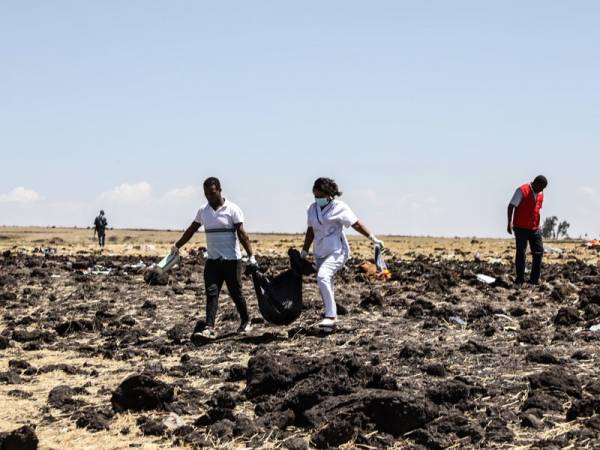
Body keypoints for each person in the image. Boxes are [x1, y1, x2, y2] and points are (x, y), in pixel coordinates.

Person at [171, 177, 256, 339]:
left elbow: (242, 235)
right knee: (212, 293)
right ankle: (209, 327)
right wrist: (177, 246)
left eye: (212, 193)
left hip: (232, 261)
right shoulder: (203, 211)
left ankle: (246, 321)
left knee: (236, 293)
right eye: (206, 194)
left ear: (219, 190)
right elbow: (191, 230)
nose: (209, 197)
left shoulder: (233, 209)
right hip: (213, 261)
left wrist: (251, 255)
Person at [301, 177, 384, 329]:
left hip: (337, 251)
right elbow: (311, 230)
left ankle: (331, 316)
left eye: (320, 196)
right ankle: (328, 325)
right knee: (326, 284)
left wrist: (373, 238)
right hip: (320, 252)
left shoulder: (340, 207)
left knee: (323, 276)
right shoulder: (311, 209)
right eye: (315, 196)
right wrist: (304, 251)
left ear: (329, 194)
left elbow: (356, 224)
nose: (317, 199)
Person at [507, 175, 548, 286]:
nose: (542, 190)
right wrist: (509, 223)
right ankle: (519, 280)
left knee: (538, 252)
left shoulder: (541, 194)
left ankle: (534, 280)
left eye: (544, 188)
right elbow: (511, 206)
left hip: (535, 228)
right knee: (521, 253)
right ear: (536, 183)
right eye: (541, 187)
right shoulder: (522, 190)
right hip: (520, 227)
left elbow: (536, 210)